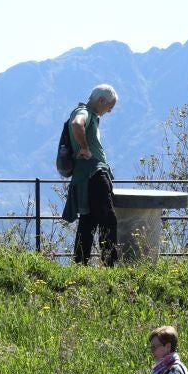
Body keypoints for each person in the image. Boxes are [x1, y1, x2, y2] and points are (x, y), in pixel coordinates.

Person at [61, 84, 120, 266]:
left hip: (84, 177)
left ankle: (80, 264)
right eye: (109, 107)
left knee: (88, 222)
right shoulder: (84, 112)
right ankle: (110, 265)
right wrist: (85, 148)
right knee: (108, 219)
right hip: (95, 175)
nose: (108, 112)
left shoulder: (89, 114)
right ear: (101, 100)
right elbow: (77, 124)